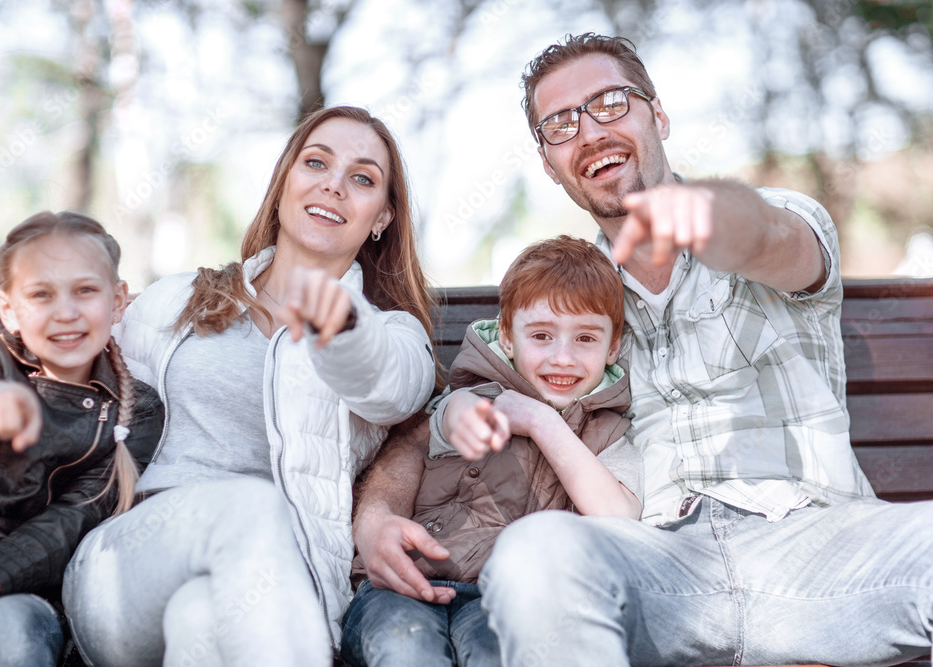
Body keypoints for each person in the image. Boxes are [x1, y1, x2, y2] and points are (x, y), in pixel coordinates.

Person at [352, 33, 933, 666]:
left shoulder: (769, 216)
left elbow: (773, 240)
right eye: (561, 124)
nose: (590, 130)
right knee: (534, 553)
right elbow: (438, 423)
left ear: (657, 114)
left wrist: (713, 218)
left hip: (820, 549)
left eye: (609, 102)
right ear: (549, 163)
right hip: (656, 567)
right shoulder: (571, 299)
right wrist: (377, 514)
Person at [61, 105, 438, 667]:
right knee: (253, 507)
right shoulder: (177, 299)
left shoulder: (394, 335)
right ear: (285, 182)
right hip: (129, 565)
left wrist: (340, 323)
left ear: (381, 217)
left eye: (361, 178)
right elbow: (55, 369)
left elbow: (387, 385)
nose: (333, 186)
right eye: (316, 163)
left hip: (276, 596)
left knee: (201, 623)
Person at [340, 235, 642, 667]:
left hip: (499, 601)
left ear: (613, 347)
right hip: (405, 583)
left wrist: (543, 423)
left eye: (586, 339)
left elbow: (618, 518)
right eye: (541, 335)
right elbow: (449, 417)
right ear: (506, 338)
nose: (563, 358)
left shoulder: (608, 432)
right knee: (406, 650)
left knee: (495, 655)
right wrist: (462, 411)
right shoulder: (479, 396)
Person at [0, 211, 165, 667]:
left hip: (23, 583)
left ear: (118, 301)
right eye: (41, 294)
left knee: (10, 636)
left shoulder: (136, 410)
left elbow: (72, 517)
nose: (66, 312)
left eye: (85, 290)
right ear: (8, 309)